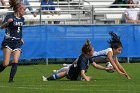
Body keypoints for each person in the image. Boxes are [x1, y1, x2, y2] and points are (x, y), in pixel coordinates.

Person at [53, 32, 131, 79]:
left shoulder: (114, 55)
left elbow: (119, 65)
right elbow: (112, 62)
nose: (120, 52)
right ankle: (56, 72)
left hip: (90, 60)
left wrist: (126, 74)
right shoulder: (109, 51)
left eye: (121, 50)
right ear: (114, 48)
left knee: (71, 67)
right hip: (87, 56)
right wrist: (118, 72)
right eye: (119, 50)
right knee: (71, 67)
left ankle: (58, 71)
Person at [42, 39, 111, 81]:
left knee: (67, 70)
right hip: (73, 74)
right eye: (92, 50)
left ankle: (49, 77)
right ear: (88, 52)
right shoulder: (83, 59)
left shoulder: (88, 56)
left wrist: (106, 68)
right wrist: (86, 78)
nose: (94, 51)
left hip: (77, 74)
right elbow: (82, 73)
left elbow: (95, 65)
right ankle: (47, 79)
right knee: (66, 72)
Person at [0, 3, 26, 83]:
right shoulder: (10, 16)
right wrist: (7, 22)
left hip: (17, 42)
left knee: (15, 60)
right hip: (8, 41)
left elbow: (19, 29)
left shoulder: (22, 19)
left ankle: (11, 80)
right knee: (6, 63)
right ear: (18, 9)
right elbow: (1, 27)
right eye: (23, 9)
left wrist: (21, 38)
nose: (24, 11)